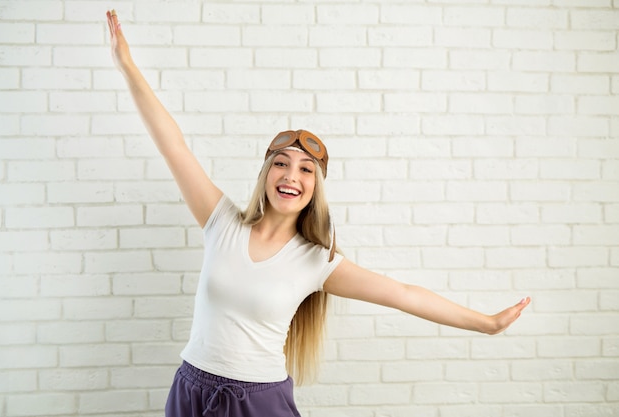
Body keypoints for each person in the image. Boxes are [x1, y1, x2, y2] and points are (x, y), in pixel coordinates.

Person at [106, 10, 531, 417]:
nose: (291, 175)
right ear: (266, 173)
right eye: (281, 163)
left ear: (315, 188)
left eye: (306, 169)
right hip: (189, 391)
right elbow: (173, 145)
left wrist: (487, 323)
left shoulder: (317, 261)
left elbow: (404, 293)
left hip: (257, 403)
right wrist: (126, 65)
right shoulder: (222, 223)